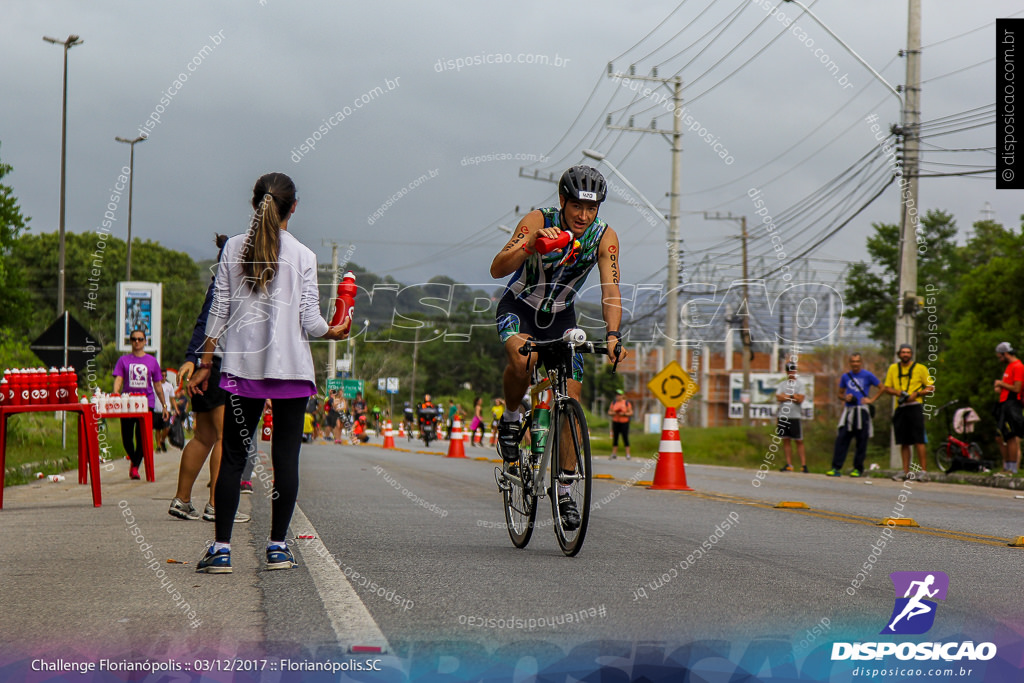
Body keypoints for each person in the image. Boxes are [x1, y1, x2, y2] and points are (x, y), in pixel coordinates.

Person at [189, 172, 350, 574]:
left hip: (243, 372)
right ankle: (278, 548)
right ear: (293, 207)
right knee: (286, 461)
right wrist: (336, 330)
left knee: (232, 459)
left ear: (255, 202)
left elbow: (218, 312)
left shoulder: (231, 250)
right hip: (293, 374)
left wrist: (206, 362)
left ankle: (221, 550)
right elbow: (312, 323)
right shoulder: (305, 256)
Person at [490, 165, 627, 530]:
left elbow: (610, 289)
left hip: (562, 316)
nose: (584, 215)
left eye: (592, 207)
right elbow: (497, 268)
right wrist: (530, 245)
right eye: (577, 206)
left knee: (572, 393)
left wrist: (613, 335)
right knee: (523, 361)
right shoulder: (538, 220)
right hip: (520, 308)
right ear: (562, 201)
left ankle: (565, 489)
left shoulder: (604, 237)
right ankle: (511, 417)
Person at [169, 234, 251, 523]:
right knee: (223, 437)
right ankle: (218, 505)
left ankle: (182, 499)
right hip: (220, 366)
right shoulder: (236, 286)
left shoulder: (217, 285)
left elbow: (202, 323)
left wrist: (191, 358)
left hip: (206, 365)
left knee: (203, 436)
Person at [113, 329, 169, 480]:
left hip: (146, 403)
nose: (137, 342)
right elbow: (118, 378)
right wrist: (116, 393)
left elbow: (158, 385)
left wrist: (164, 405)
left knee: (143, 437)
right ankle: (134, 460)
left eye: (140, 339)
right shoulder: (123, 360)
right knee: (126, 437)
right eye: (134, 339)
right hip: (128, 402)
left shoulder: (152, 361)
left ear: (145, 341)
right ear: (130, 341)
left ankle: (135, 467)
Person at [881, 344, 935, 481]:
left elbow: (930, 387)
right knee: (904, 441)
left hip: (915, 406)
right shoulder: (893, 368)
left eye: (908, 352)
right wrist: (898, 393)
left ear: (912, 354)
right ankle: (905, 471)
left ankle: (923, 471)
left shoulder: (920, 368)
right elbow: (887, 387)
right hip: (900, 407)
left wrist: (917, 394)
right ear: (899, 354)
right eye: (903, 352)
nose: (905, 355)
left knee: (919, 440)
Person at [827, 353, 881, 477]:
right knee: (842, 439)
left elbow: (881, 387)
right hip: (849, 412)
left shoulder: (867, 375)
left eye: (857, 361)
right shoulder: (846, 377)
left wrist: (871, 400)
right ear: (850, 363)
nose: (855, 364)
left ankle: (858, 468)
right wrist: (845, 397)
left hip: (862, 411)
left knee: (861, 441)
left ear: (861, 363)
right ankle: (836, 467)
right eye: (853, 361)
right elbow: (839, 394)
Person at [993, 342, 1023, 475]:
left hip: (1012, 404)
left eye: (1000, 356)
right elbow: (1008, 385)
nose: (999, 359)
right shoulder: (1009, 367)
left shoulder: (1018, 366)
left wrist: (1001, 383)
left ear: (1005, 354)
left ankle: (1011, 468)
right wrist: (1000, 387)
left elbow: (1017, 388)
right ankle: (1007, 466)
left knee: (1011, 436)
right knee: (1001, 436)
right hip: (1004, 403)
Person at [776, 362, 807, 473]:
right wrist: (793, 396)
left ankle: (803, 465)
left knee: (798, 440)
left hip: (795, 416)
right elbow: (779, 397)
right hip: (783, 416)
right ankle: (789, 464)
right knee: (786, 440)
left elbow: (800, 399)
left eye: (793, 370)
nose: (791, 372)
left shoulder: (800, 385)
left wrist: (789, 396)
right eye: (789, 370)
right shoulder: (782, 384)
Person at [608, 389, 633, 460]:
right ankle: (614, 454)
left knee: (625, 438)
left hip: (624, 422)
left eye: (619, 395)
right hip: (616, 422)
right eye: (617, 395)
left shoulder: (626, 403)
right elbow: (610, 412)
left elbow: (630, 413)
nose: (618, 396)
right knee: (615, 438)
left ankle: (628, 454)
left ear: (622, 396)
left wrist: (624, 414)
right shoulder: (614, 403)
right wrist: (614, 413)